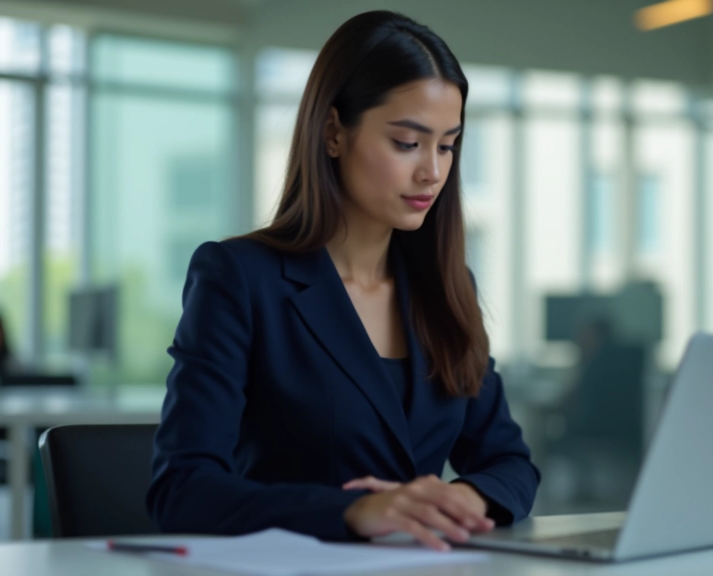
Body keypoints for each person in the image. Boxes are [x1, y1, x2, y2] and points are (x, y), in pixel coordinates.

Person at [147, 11, 540, 551]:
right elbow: (182, 491)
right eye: (407, 142)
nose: (432, 171)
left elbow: (508, 463)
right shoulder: (239, 278)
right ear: (334, 133)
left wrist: (469, 499)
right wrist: (355, 511)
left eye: (447, 145)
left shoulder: (447, 287)